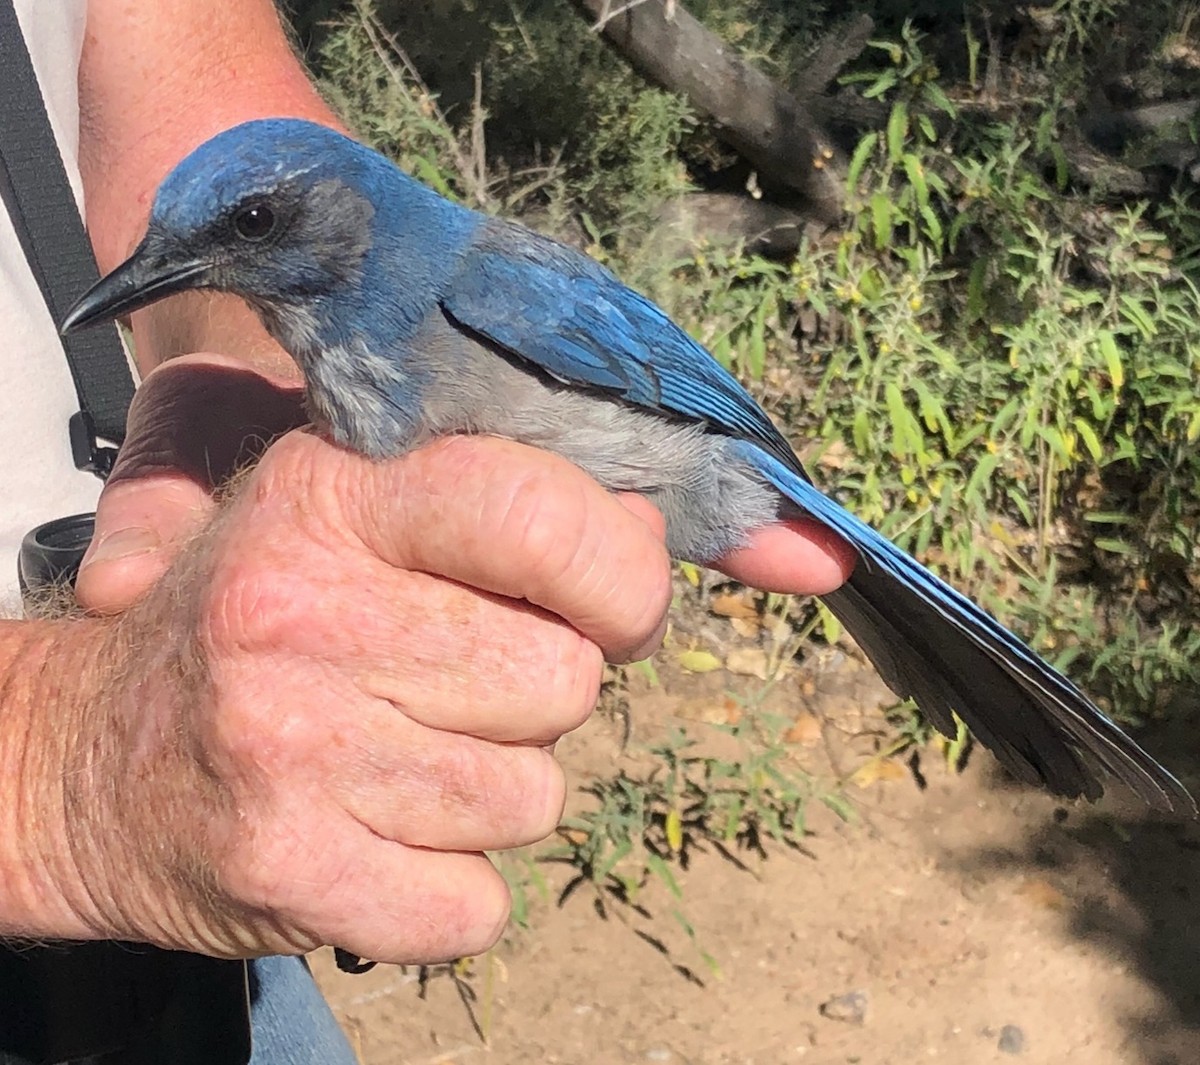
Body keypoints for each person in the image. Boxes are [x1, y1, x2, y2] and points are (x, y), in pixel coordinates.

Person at [0, 0, 854, 1059]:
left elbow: (179, 80)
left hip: (207, 923)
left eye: (252, 227)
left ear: (347, 221)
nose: (193, 260)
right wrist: (59, 777)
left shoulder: (483, 286)